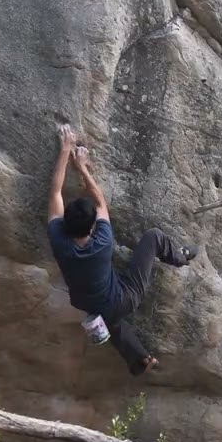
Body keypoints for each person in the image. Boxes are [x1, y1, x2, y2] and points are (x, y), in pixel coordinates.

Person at [46, 124, 195, 375]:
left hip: (89, 304)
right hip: (123, 298)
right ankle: (180, 256)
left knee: (111, 321)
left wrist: (63, 150)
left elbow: (55, 192)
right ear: (93, 226)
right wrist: (81, 166)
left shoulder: (59, 240)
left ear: (65, 224)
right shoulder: (102, 241)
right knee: (153, 236)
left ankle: (139, 360)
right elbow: (100, 201)